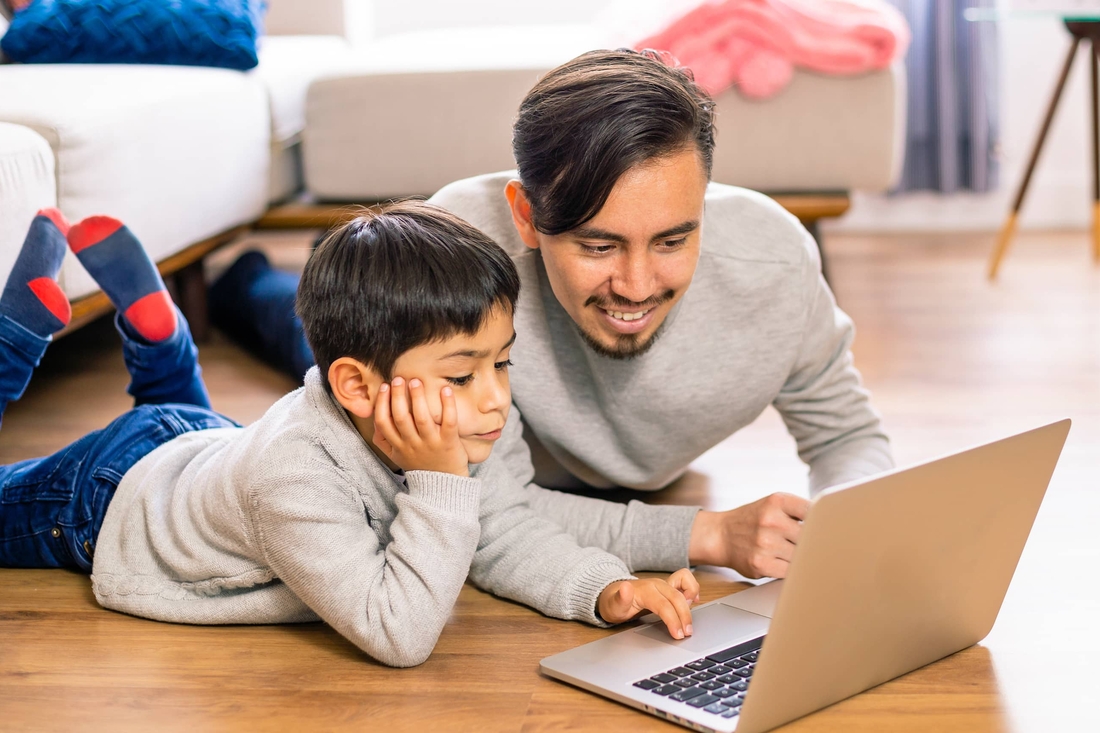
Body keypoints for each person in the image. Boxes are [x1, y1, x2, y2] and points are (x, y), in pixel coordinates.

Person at [210, 48, 894, 581]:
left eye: (673, 239)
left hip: (601, 466)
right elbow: (488, 510)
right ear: (527, 217)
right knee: (311, 343)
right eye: (598, 245)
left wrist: (846, 532)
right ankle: (238, 287)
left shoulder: (775, 263)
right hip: (439, 392)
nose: (635, 285)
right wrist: (710, 533)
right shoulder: (465, 250)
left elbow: (847, 438)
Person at [0, 204, 700, 668]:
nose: (496, 396)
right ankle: (15, 341)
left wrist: (602, 587)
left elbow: (504, 531)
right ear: (358, 387)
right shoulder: (292, 475)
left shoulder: (461, 415)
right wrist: (440, 480)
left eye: (503, 360)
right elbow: (398, 633)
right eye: (461, 376)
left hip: (204, 447)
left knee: (193, 443)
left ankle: (163, 346)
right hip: (101, 499)